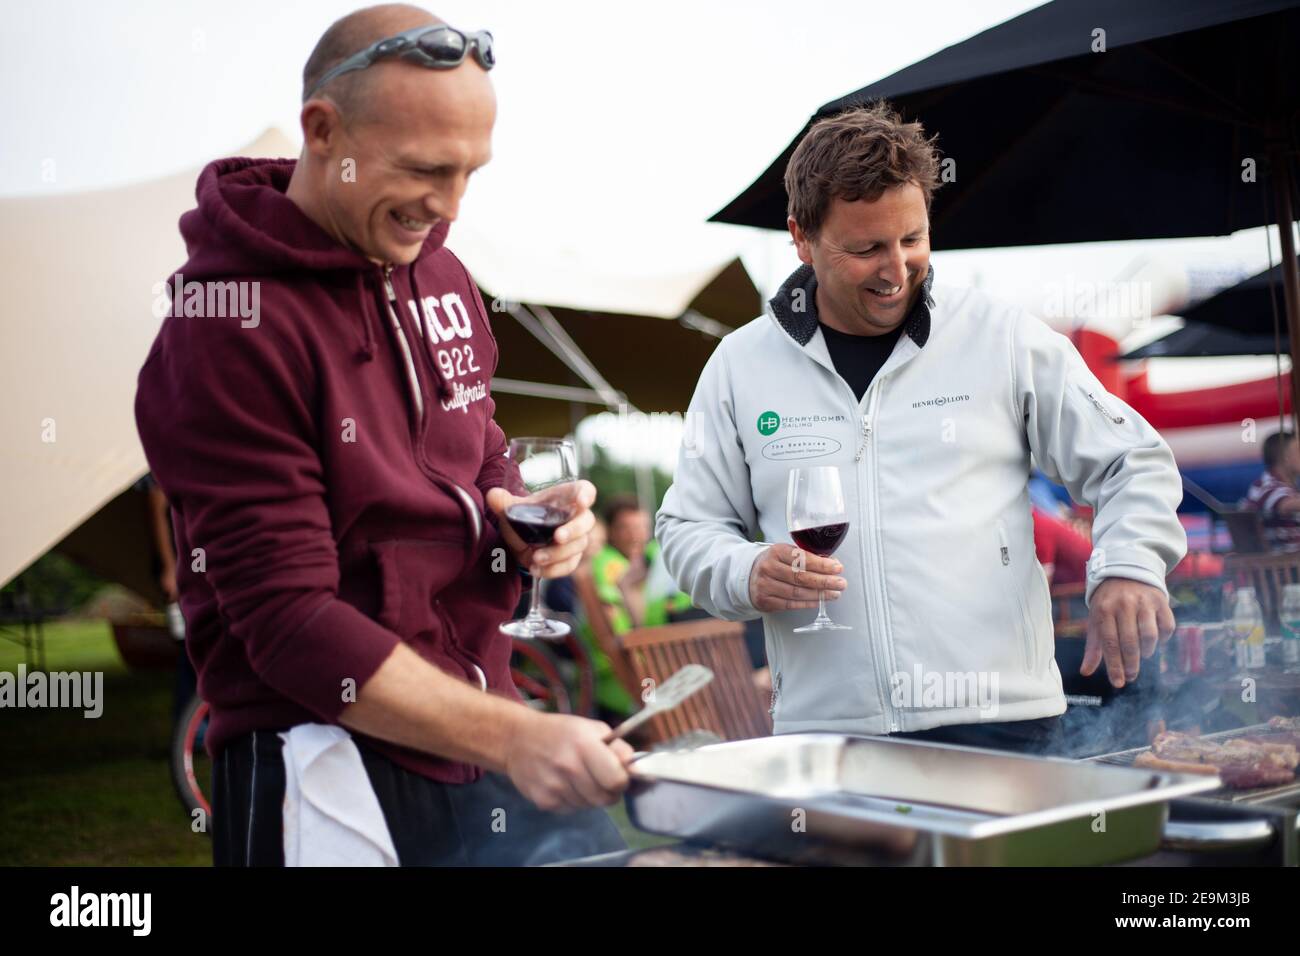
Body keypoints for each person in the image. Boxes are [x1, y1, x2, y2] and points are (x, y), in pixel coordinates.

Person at [135, 5, 630, 866]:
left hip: (479, 728)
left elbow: (478, 448)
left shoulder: (436, 267)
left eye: (472, 171)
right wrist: (515, 737)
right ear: (323, 132)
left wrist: (525, 511)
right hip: (323, 758)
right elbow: (289, 623)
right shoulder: (224, 324)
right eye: (426, 169)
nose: (449, 206)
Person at [657, 102, 1186, 756]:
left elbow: (1130, 459)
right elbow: (686, 528)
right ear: (801, 238)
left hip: (1005, 721)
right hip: (827, 735)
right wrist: (744, 571)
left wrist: (1129, 563)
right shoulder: (739, 365)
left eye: (912, 239)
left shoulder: (1002, 336)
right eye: (867, 248)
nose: (897, 269)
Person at [1242, 430, 1300, 550]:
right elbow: (1285, 505)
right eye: (1298, 451)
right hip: (1287, 563)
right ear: (1286, 457)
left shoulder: (1274, 485)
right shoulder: (1268, 486)